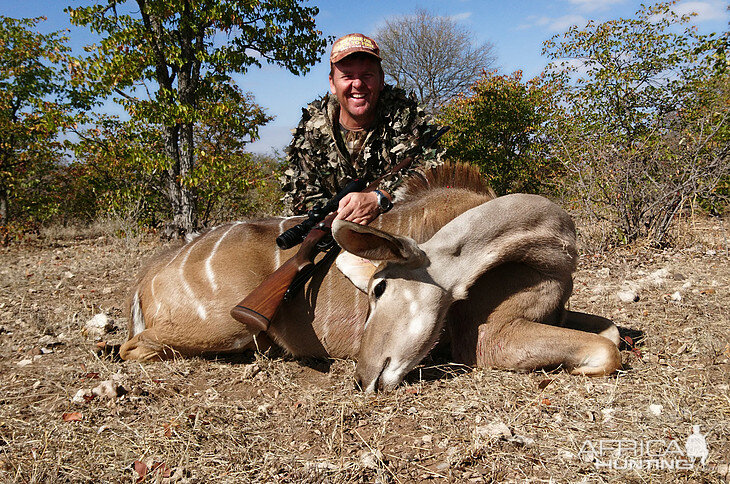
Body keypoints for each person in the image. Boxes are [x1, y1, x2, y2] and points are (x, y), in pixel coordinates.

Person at [281, 33, 444, 225]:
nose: (357, 84)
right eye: (347, 76)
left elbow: (432, 170)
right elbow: (299, 197)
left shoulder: (408, 117)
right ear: (332, 83)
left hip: (398, 225)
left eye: (367, 75)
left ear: (381, 80)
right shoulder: (310, 131)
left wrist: (381, 198)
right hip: (331, 232)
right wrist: (338, 218)